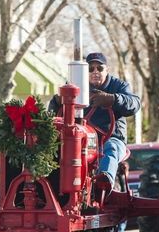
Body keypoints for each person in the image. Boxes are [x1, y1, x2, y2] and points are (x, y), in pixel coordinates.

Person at [49, 52, 141, 197]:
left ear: (107, 70)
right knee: (59, 150)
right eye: (91, 69)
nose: (95, 72)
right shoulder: (74, 86)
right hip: (83, 141)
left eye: (100, 68)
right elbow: (54, 113)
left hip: (110, 138)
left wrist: (113, 99)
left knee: (111, 147)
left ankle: (103, 182)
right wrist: (57, 101)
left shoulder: (119, 86)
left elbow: (134, 104)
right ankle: (54, 191)